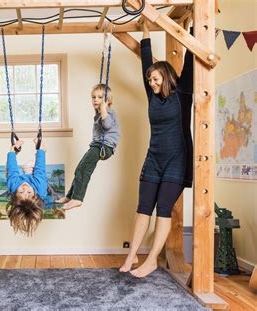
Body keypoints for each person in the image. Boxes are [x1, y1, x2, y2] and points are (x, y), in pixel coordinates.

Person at [120, 21, 194, 278]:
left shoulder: (183, 92)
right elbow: (146, 60)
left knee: (163, 208)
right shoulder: (152, 96)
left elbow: (192, 60)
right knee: (143, 208)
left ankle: (151, 260)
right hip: (154, 158)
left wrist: (192, 31)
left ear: (166, 76)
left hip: (177, 159)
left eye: (154, 78)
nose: (150, 82)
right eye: (149, 79)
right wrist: (146, 31)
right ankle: (132, 256)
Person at [56, 83, 119, 210]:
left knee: (84, 170)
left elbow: (107, 125)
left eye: (100, 97)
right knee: (80, 168)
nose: (95, 99)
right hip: (96, 146)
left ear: (107, 101)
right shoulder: (98, 114)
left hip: (104, 147)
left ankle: (78, 198)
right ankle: (70, 196)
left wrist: (104, 109)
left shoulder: (108, 113)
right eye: (93, 97)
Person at [6, 138, 47, 236]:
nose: (25, 188)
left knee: (10, 171)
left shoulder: (13, 186)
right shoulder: (40, 188)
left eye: (21, 192)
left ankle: (29, 166)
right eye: (29, 192)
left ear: (15, 193)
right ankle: (43, 150)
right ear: (35, 195)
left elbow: (12, 168)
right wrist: (40, 150)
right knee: (32, 163)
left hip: (25, 176)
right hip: (35, 178)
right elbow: (40, 168)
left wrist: (13, 151)